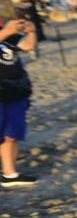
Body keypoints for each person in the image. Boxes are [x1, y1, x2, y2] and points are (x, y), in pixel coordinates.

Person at [0, 14, 37, 188]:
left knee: (11, 134)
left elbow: (29, 46)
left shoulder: (7, 35)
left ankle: (10, 174)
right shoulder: (5, 33)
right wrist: (6, 32)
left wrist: (31, 31)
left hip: (13, 91)